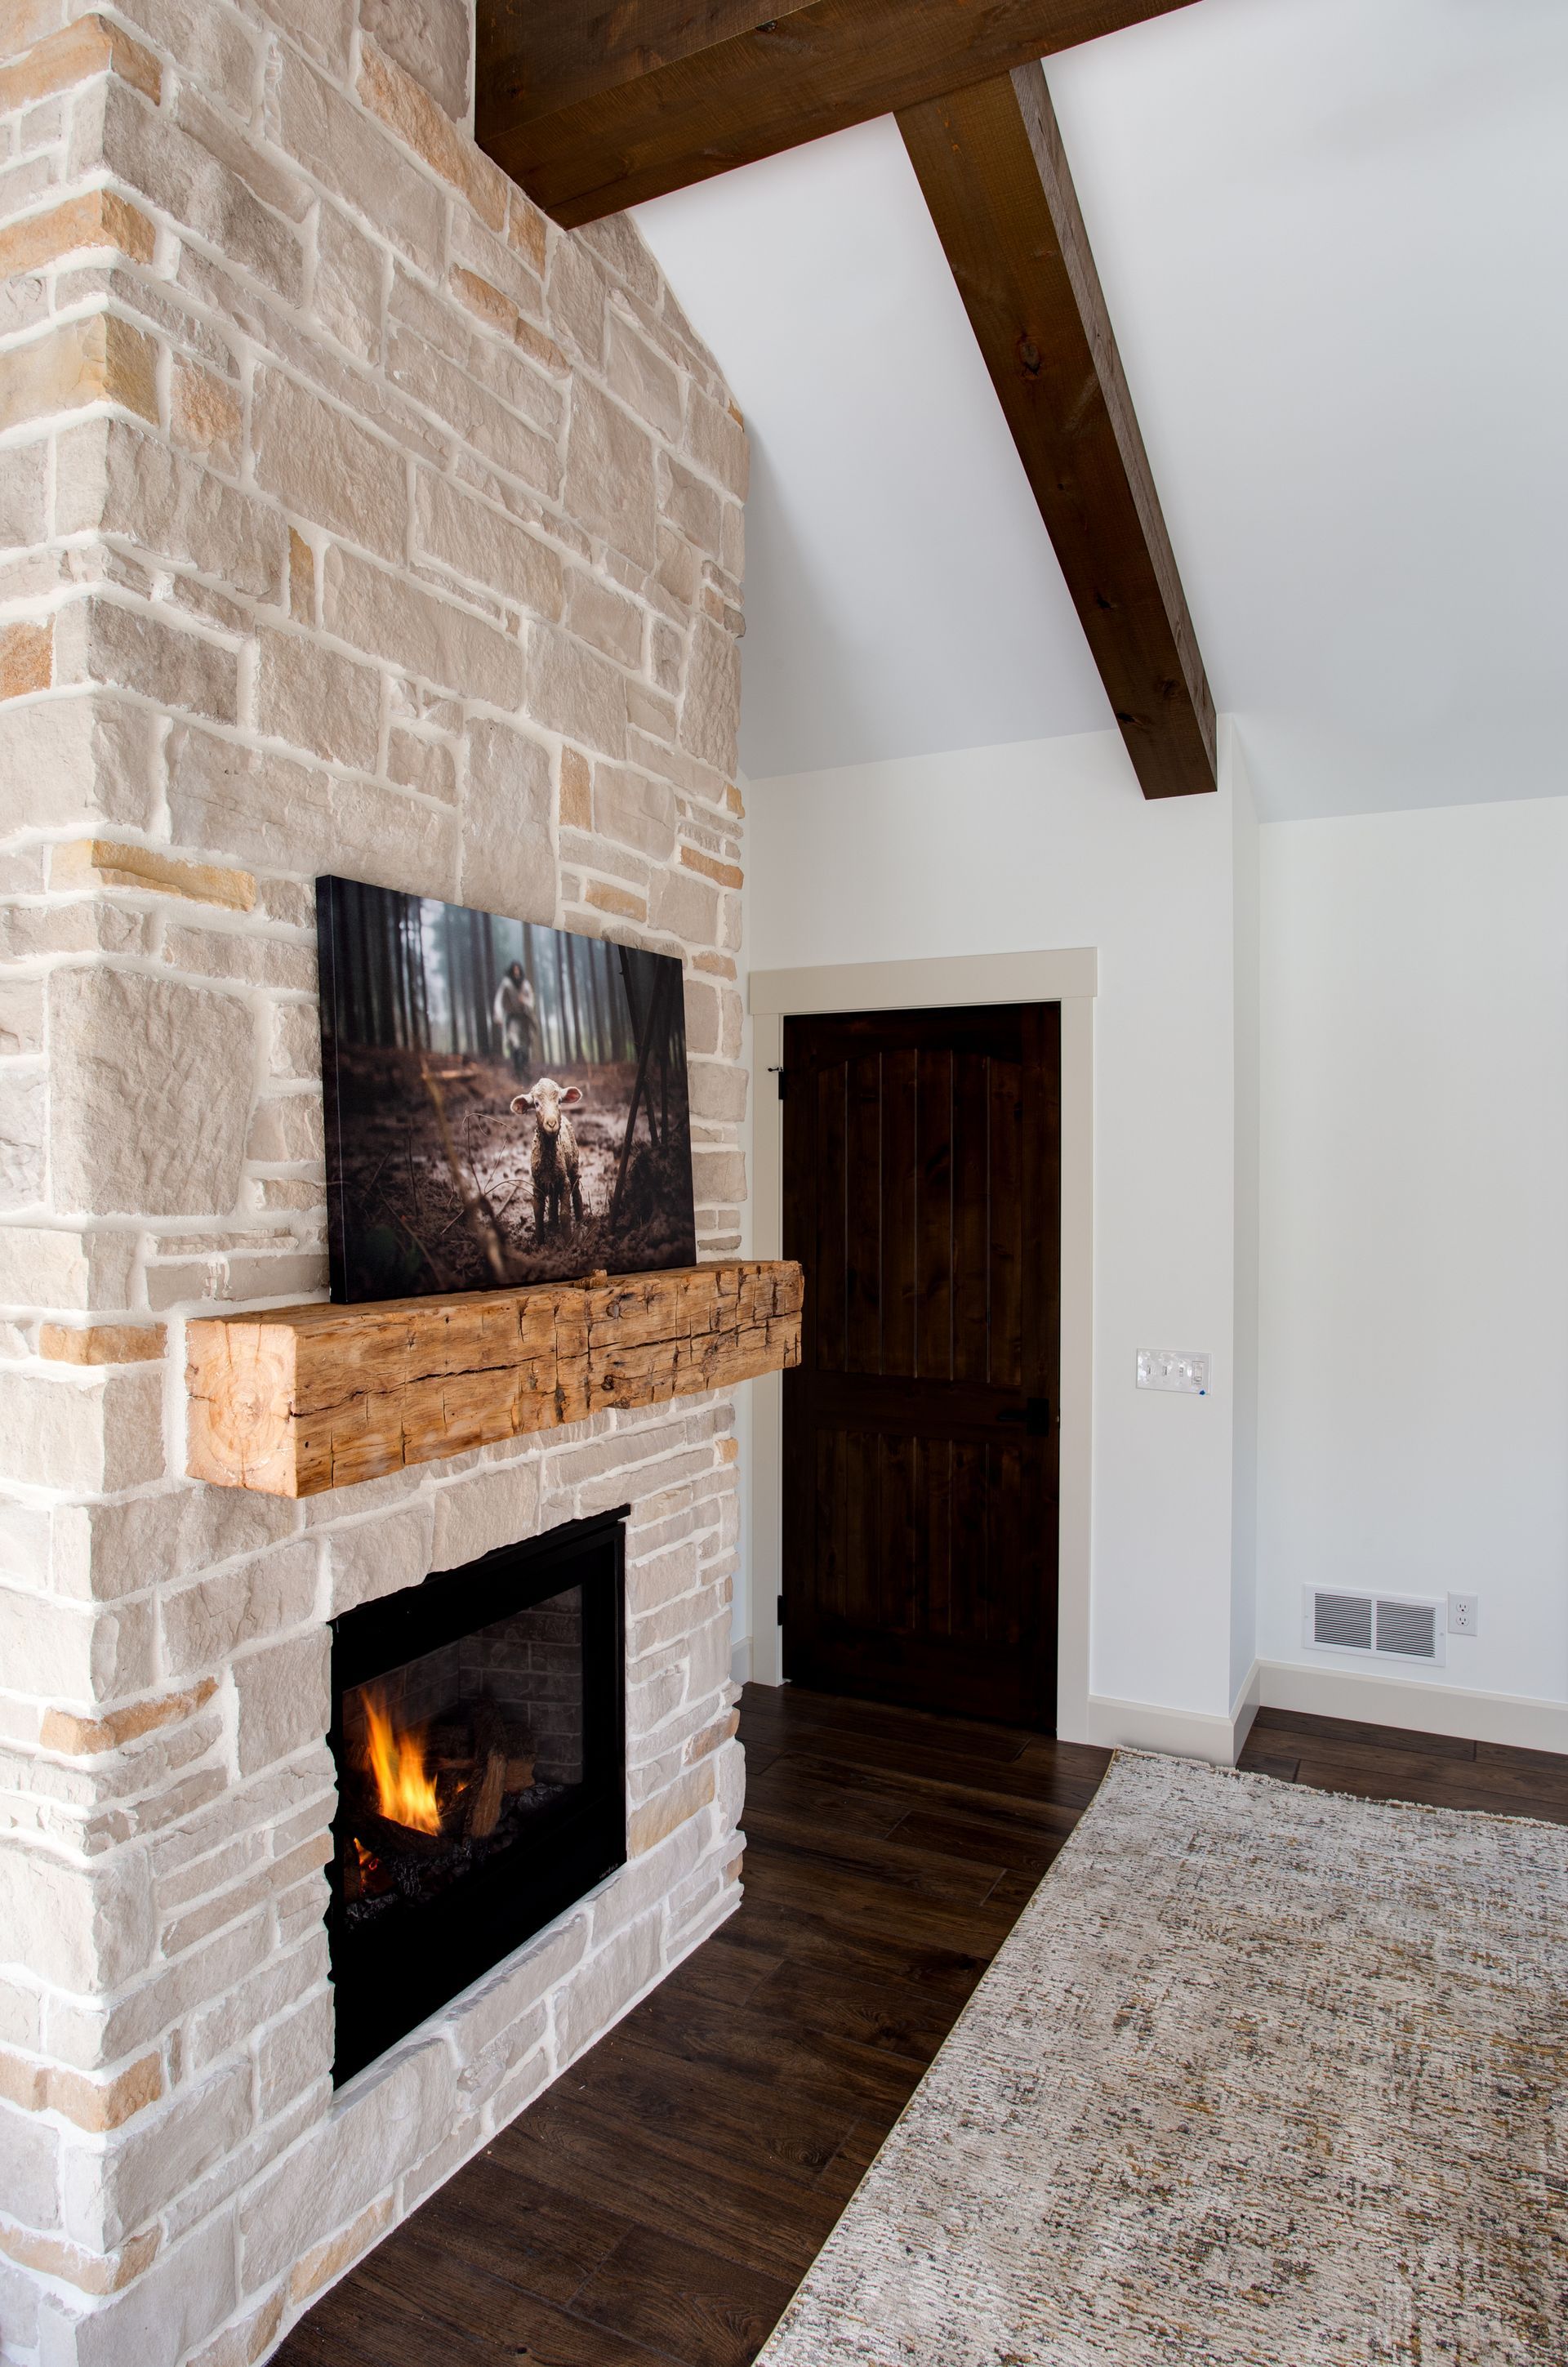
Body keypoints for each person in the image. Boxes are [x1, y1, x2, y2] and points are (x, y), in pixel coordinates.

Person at [493, 961, 536, 1083]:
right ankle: (518, 1069)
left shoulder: (525, 984)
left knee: (527, 1042)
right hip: (513, 1018)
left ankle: (525, 1068)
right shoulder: (506, 984)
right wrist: (499, 1016)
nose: (516, 972)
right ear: (511, 971)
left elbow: (531, 1001)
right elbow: (499, 1000)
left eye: (518, 970)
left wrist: (525, 1002)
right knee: (514, 1041)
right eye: (514, 970)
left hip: (525, 1017)